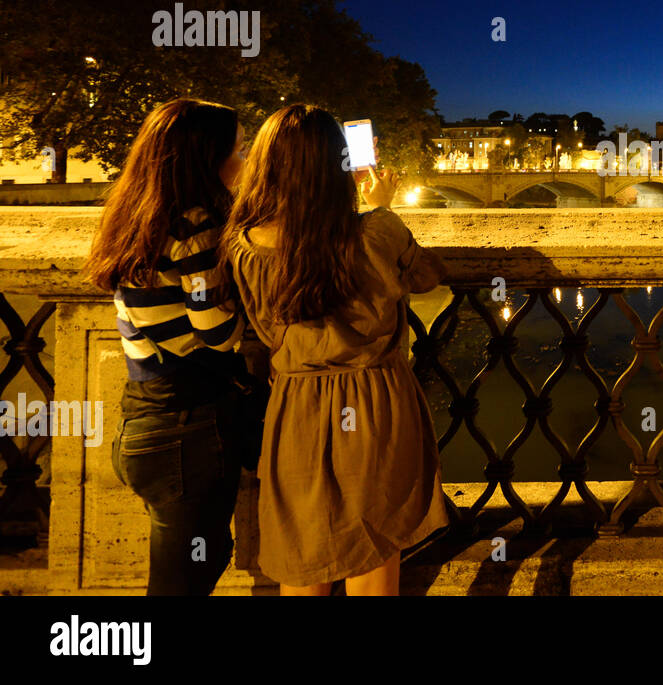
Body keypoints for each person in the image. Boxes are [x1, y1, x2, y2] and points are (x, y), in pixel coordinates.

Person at [222, 104, 450, 595]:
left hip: (297, 405)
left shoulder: (244, 247)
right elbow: (428, 277)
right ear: (339, 165)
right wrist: (382, 208)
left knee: (307, 551)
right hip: (377, 402)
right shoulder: (376, 233)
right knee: (375, 541)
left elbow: (258, 323)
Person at [84, 98, 248, 595]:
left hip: (144, 422)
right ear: (207, 158)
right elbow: (218, 333)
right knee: (183, 582)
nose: (246, 162)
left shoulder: (135, 216)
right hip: (188, 431)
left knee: (189, 568)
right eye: (240, 150)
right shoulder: (196, 226)